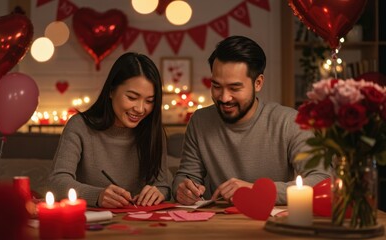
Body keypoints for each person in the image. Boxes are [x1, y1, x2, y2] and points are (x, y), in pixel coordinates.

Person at [172, 36, 330, 205]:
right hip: (218, 223)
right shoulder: (200, 121)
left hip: (275, 223)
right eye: (217, 86)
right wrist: (182, 189)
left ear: (258, 83)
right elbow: (186, 176)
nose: (224, 97)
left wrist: (257, 191)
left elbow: (323, 181)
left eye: (234, 88)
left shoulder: (290, 122)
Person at [49, 52, 170, 208]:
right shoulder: (79, 126)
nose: (140, 109)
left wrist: (159, 191)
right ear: (111, 91)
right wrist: (98, 196)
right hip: (93, 224)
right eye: (132, 97)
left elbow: (163, 184)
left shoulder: (153, 130)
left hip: (142, 224)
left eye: (149, 101)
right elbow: (57, 182)